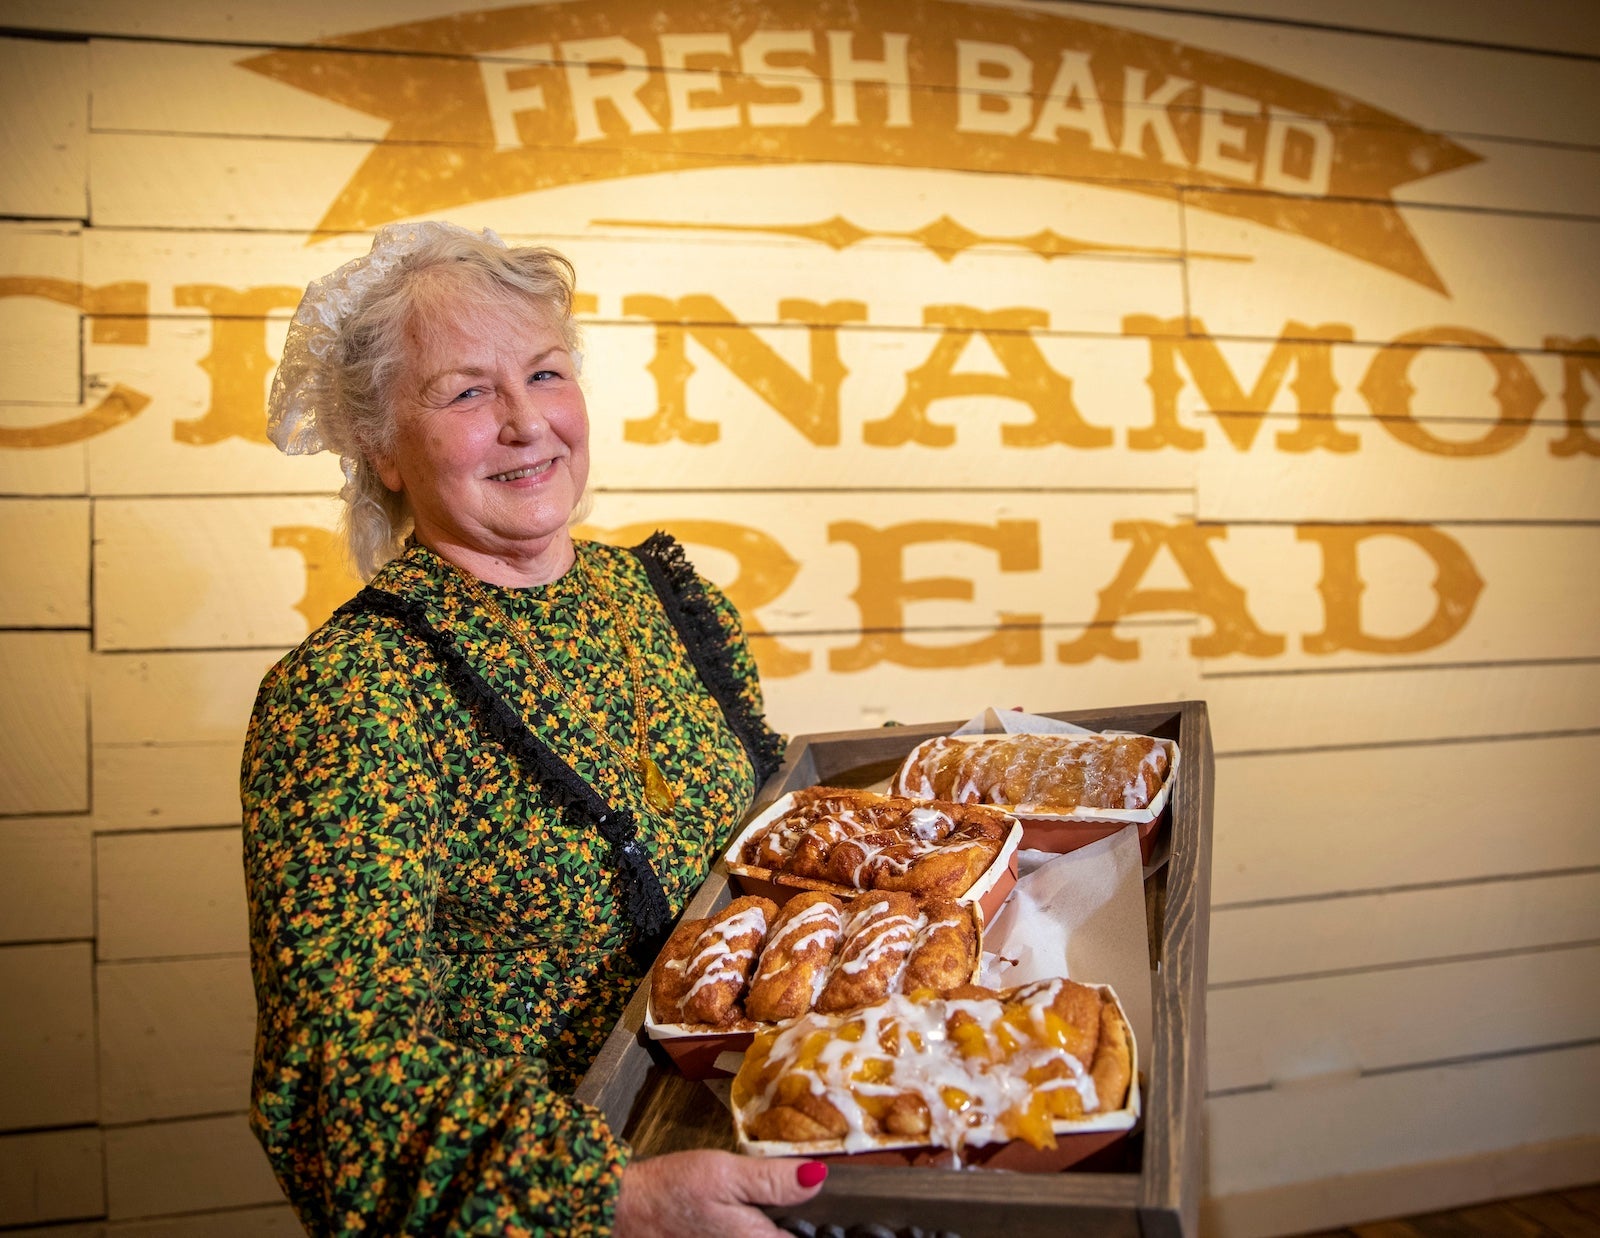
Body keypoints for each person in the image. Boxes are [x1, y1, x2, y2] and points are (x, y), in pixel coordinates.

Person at [241, 221, 827, 1235]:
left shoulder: (665, 597)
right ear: (380, 447)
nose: (526, 423)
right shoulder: (350, 693)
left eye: (546, 374)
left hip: (778, 1134)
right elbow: (336, 1083)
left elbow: (765, 848)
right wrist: (611, 1202)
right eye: (467, 392)